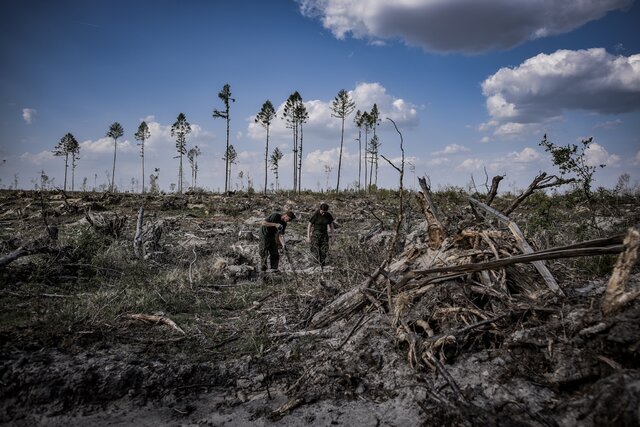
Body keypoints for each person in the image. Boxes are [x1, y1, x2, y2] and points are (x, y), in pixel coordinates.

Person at [307, 203, 334, 267]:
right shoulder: (316, 214)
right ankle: (315, 267)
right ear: (320, 209)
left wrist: (333, 236)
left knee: (324, 251)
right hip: (316, 234)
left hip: (324, 235)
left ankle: (322, 266)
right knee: (315, 251)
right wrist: (308, 237)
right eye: (322, 212)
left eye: (325, 212)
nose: (323, 213)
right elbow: (309, 225)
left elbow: (331, 226)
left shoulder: (328, 215)